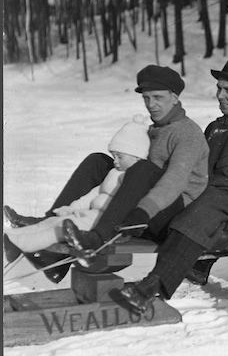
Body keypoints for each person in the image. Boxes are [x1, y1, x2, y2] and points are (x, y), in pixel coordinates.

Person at [105, 56, 228, 314]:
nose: (220, 95)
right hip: (199, 200)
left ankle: (151, 287)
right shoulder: (214, 127)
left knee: (200, 212)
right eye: (219, 88)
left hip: (225, 208)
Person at [4, 65, 209, 283]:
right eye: (146, 98)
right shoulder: (155, 129)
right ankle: (53, 221)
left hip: (172, 217)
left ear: (175, 98)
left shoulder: (188, 134)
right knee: (98, 161)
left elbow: (174, 181)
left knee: (143, 168)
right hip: (143, 208)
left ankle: (97, 237)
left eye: (158, 97)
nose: (151, 105)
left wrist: (141, 212)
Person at [3, 116, 150, 270]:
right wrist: (72, 208)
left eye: (120, 157)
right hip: (90, 214)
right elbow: (94, 194)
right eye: (114, 156)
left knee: (58, 229)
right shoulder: (114, 173)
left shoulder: (136, 178)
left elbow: (123, 205)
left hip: (103, 220)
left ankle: (22, 245)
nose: (115, 161)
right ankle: (12, 239)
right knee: (52, 222)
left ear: (137, 157)